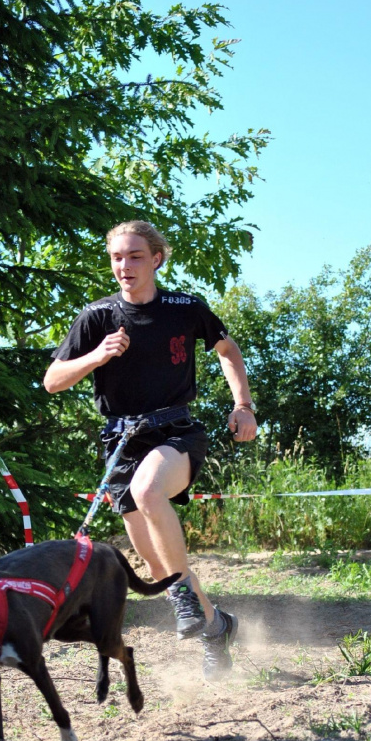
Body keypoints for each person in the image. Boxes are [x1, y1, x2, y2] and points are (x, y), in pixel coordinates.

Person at [43, 220, 257, 678]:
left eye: (135, 256)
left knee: (148, 491)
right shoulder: (96, 317)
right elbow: (52, 381)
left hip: (174, 431)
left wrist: (243, 405)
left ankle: (187, 604)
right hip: (120, 442)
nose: (124, 265)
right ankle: (217, 628)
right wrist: (97, 356)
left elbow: (227, 349)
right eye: (117, 257)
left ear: (157, 259)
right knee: (161, 565)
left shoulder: (185, 307)